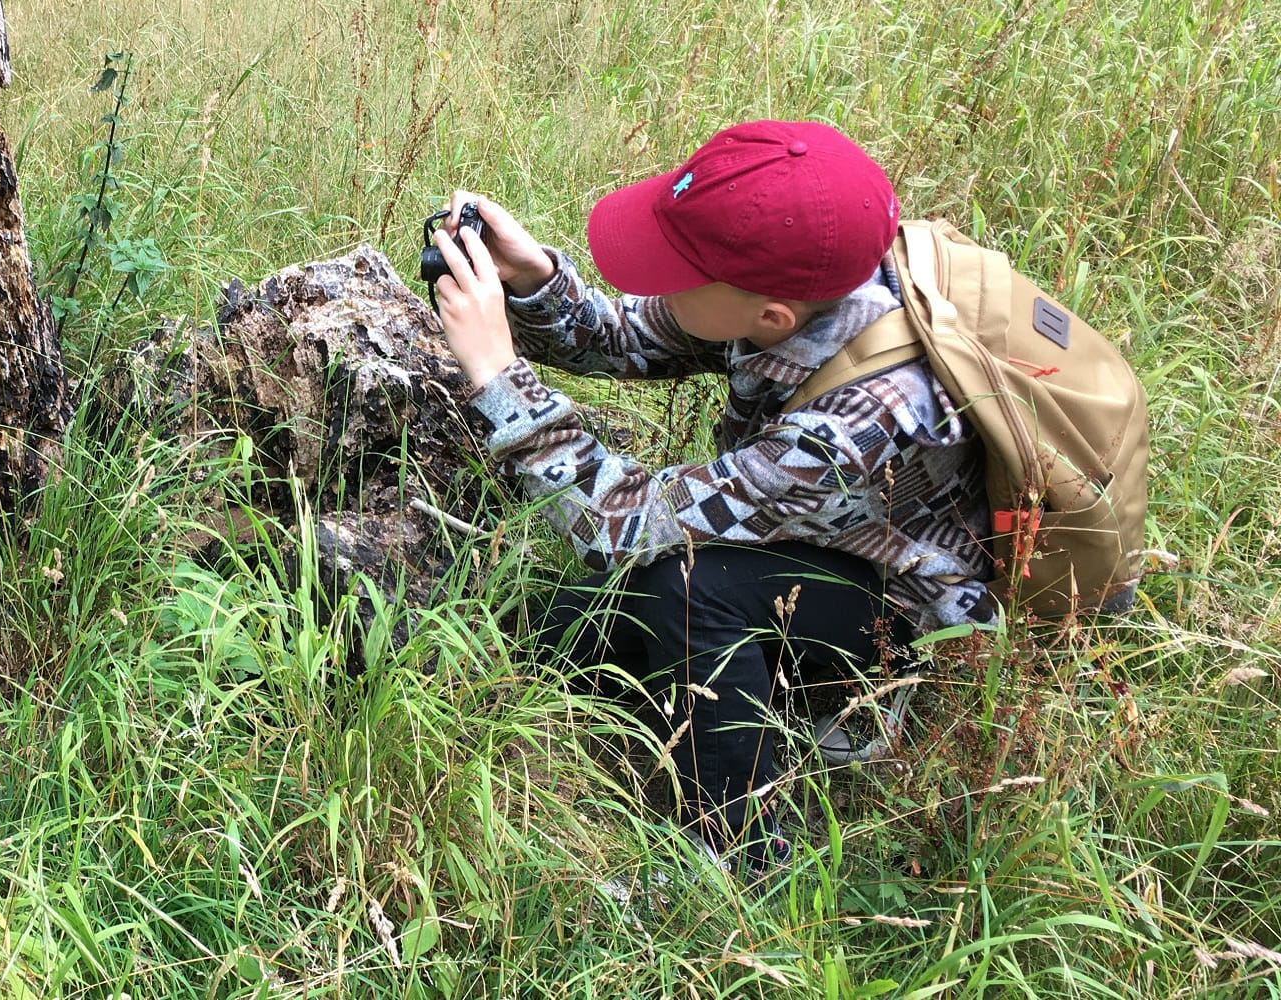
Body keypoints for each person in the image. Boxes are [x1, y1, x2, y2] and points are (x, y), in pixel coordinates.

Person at [426, 119, 994, 873]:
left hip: (906, 605)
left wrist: (498, 379)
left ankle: (741, 855)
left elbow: (620, 522)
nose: (654, 281)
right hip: (817, 535)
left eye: (676, 270)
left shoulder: (853, 426)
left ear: (771, 317)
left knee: (686, 589)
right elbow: (625, 334)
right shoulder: (799, 291)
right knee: (546, 635)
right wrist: (532, 277)